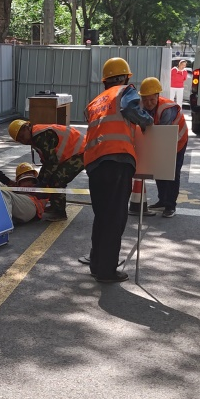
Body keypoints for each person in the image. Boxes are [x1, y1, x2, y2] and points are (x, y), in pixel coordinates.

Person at [82, 57, 153, 284]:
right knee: (115, 218)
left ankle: (97, 264)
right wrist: (147, 120)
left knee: (102, 216)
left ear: (105, 80)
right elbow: (131, 109)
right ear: (124, 77)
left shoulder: (95, 101)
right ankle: (107, 270)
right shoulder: (125, 91)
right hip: (117, 160)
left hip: (94, 163)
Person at [8, 118, 84, 221]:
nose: (23, 141)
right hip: (74, 153)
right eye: (20, 140)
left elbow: (52, 162)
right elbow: (47, 162)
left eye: (22, 136)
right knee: (49, 177)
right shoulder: (35, 137)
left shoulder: (40, 136)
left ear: (27, 127)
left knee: (57, 180)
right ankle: (55, 206)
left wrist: (43, 182)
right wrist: (40, 180)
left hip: (81, 152)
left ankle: (60, 213)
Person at [137, 77, 188, 218]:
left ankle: (170, 206)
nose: (148, 103)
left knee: (172, 172)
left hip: (177, 141)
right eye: (145, 100)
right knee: (159, 169)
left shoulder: (166, 109)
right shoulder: (140, 107)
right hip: (160, 140)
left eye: (152, 100)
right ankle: (162, 200)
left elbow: (162, 135)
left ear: (158, 96)